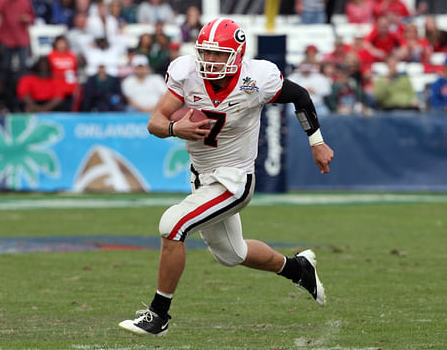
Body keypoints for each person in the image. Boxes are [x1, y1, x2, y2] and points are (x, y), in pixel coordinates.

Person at [118, 18, 333, 336]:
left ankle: (158, 315)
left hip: (234, 180)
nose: (211, 61)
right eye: (206, 53)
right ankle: (298, 268)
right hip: (202, 176)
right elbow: (155, 122)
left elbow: (300, 96)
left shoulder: (256, 78)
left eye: (220, 54)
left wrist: (317, 142)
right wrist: (178, 128)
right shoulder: (187, 73)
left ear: (237, 54)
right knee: (233, 254)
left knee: (172, 225)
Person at [0, 0, 34, 84]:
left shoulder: (25, 0)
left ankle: (24, 89)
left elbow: (32, 17)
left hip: (22, 38)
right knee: (6, 67)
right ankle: (6, 91)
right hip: (7, 38)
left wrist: (27, 18)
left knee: (23, 66)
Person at [47, 35, 78, 112]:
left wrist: (76, 87)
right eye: (60, 43)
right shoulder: (50, 56)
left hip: (70, 89)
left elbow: (75, 72)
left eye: (64, 43)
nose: (62, 45)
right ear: (55, 44)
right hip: (55, 89)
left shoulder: (72, 56)